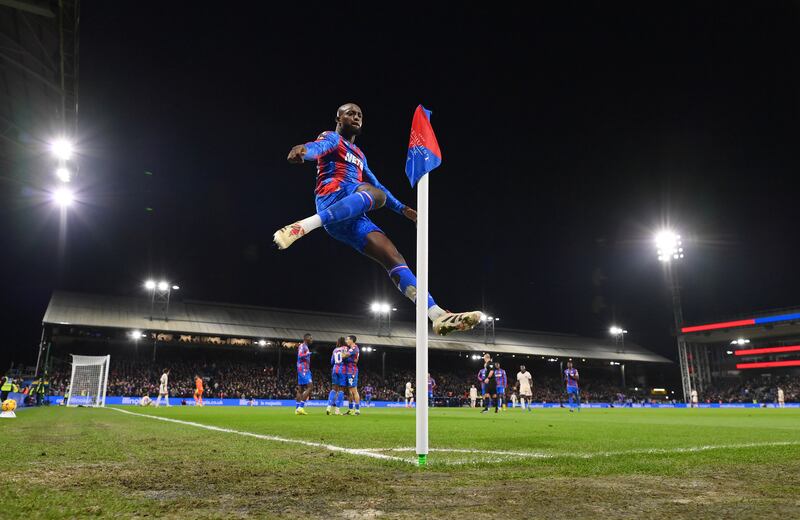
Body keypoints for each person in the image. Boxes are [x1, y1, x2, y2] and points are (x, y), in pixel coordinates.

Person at [274, 103, 482, 336]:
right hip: (332, 197)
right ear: (338, 118)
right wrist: (304, 150)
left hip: (352, 215)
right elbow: (318, 148)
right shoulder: (332, 138)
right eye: (350, 113)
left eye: (360, 115)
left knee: (393, 256)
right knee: (376, 196)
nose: (356, 117)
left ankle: (437, 315)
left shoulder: (360, 155)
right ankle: (303, 226)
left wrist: (402, 209)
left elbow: (377, 185)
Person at [326, 337, 348, 415]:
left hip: (335, 369)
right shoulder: (345, 348)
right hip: (342, 370)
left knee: (334, 389)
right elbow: (347, 359)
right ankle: (337, 410)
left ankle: (328, 407)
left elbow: (332, 361)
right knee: (341, 390)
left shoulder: (335, 350)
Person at [295, 334, 314, 415]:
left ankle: (297, 409)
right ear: (306, 339)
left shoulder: (304, 346)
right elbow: (300, 355)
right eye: (311, 338)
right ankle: (301, 407)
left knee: (300, 389)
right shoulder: (303, 346)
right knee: (310, 386)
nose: (312, 339)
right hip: (303, 369)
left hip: (302, 368)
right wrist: (307, 354)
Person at [343, 335, 361, 415]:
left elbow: (345, 355)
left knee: (354, 390)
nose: (346, 341)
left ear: (352, 340)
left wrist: (342, 354)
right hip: (348, 371)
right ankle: (350, 410)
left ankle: (357, 410)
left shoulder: (354, 348)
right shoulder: (350, 348)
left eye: (347, 339)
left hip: (352, 371)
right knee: (349, 391)